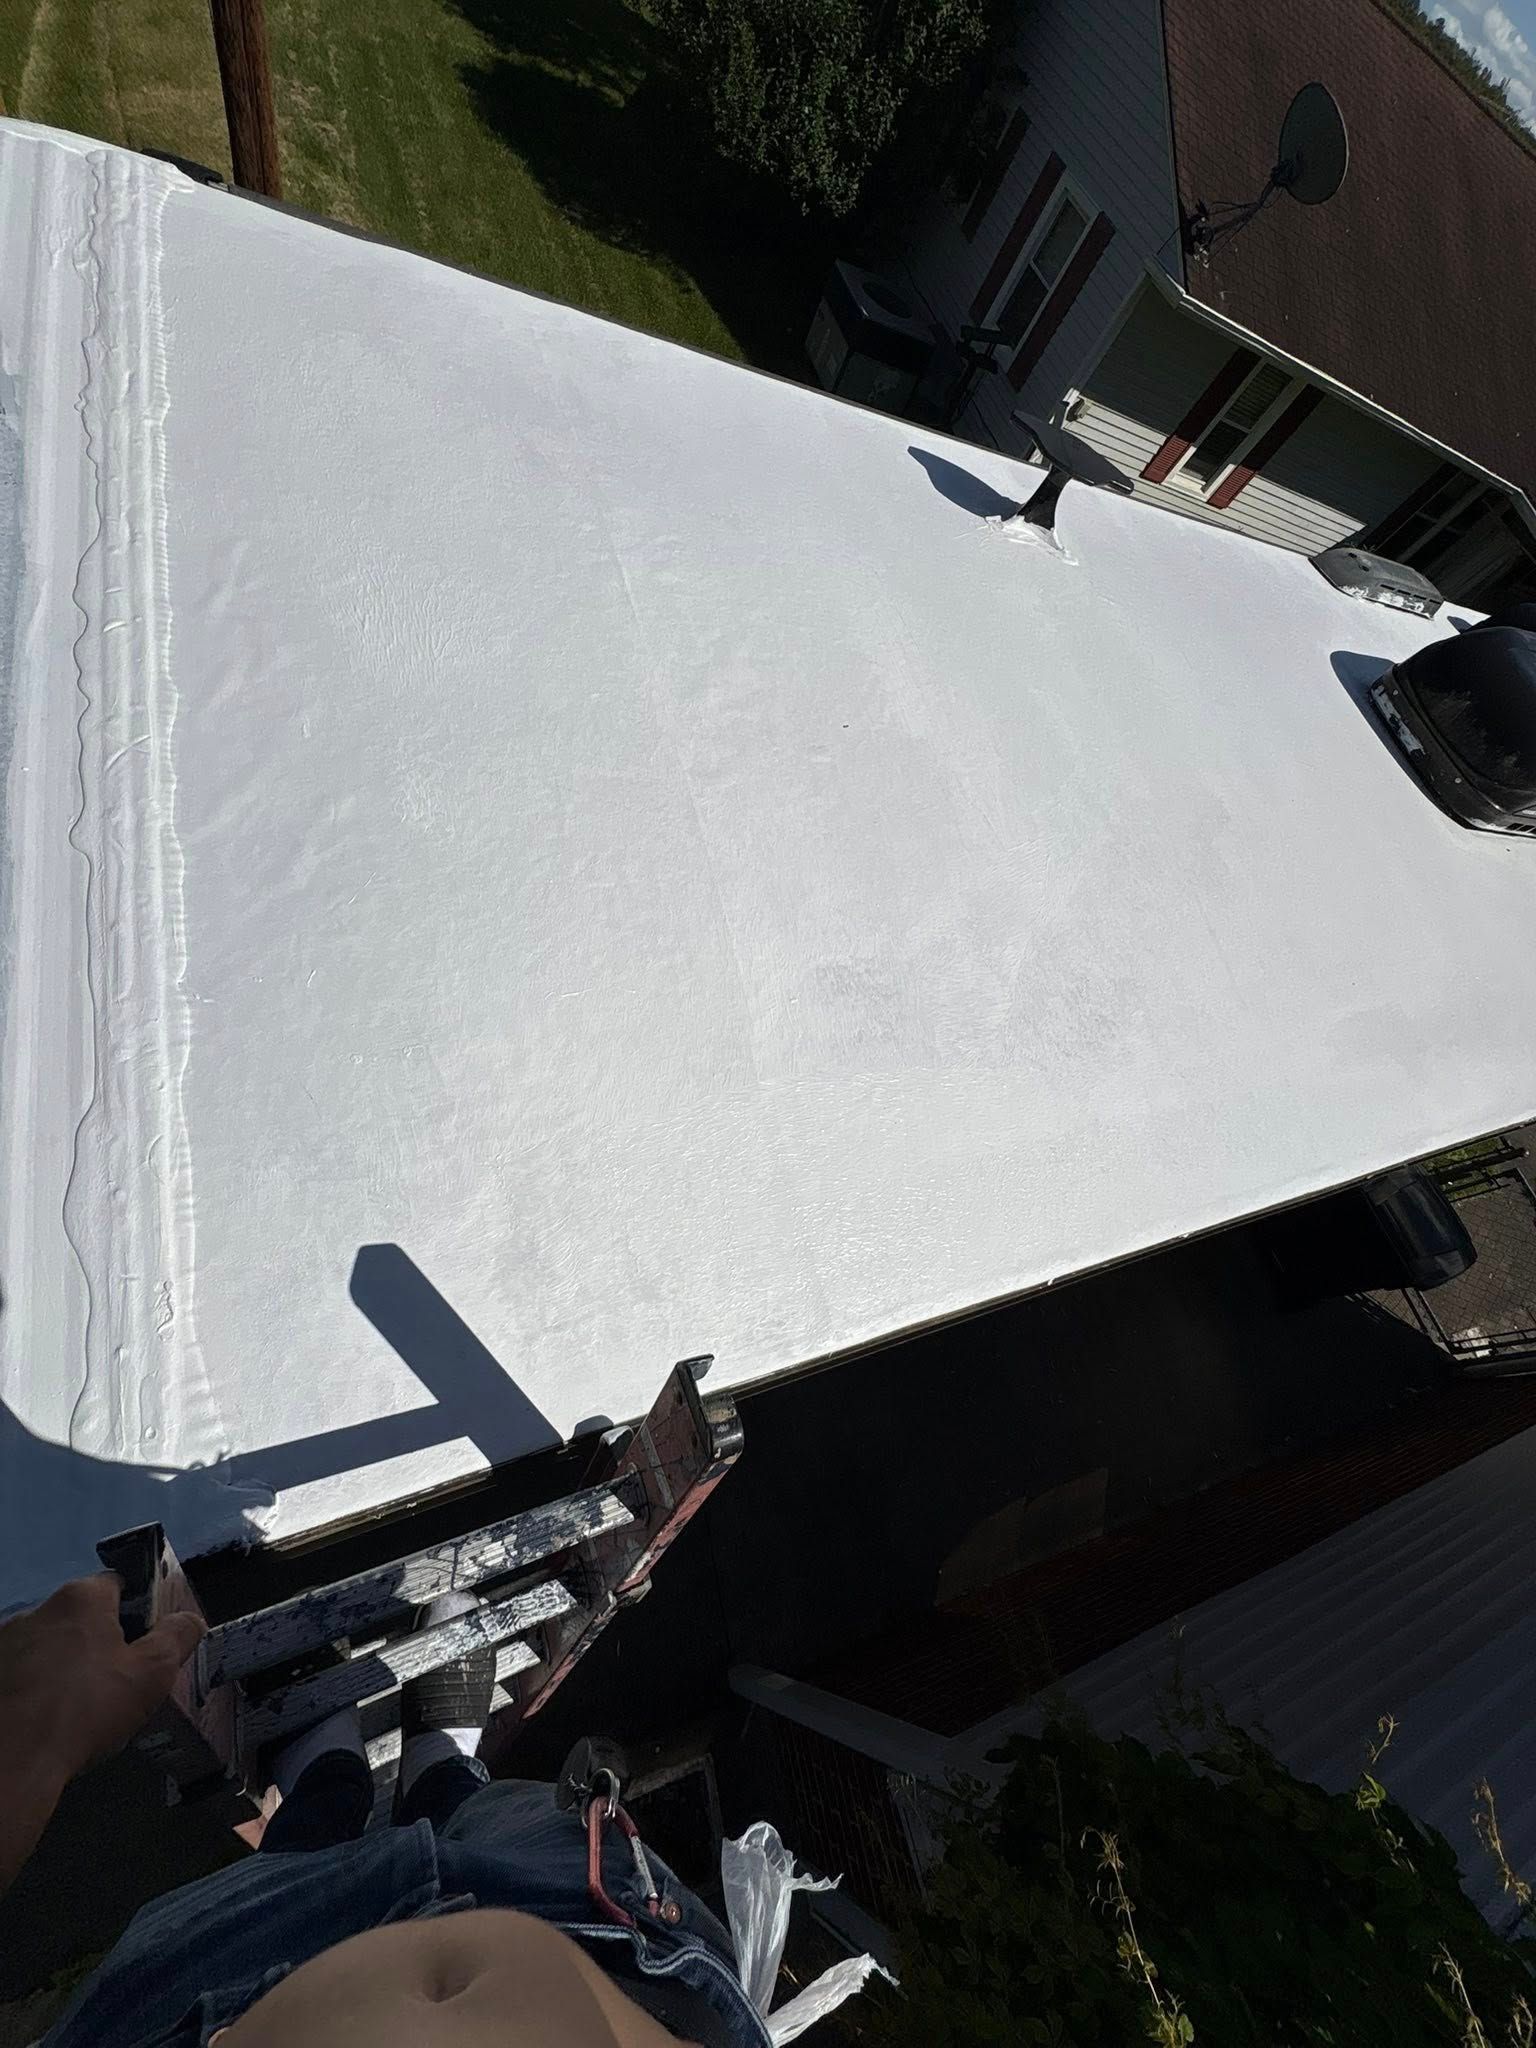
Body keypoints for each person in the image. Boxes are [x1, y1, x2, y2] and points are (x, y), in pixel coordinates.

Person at [0, 1574, 769, 2047]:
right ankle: (441, 1768)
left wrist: (21, 1742)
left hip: (209, 1994)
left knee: (298, 1858)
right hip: (624, 1950)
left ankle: (326, 1781)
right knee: (486, 1813)